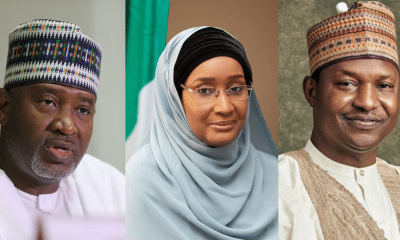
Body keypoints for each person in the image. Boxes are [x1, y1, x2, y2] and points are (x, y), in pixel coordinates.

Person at [126, 27, 278, 239]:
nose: (224, 107)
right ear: (175, 98)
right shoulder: (146, 176)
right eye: (204, 90)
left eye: (236, 89)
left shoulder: (277, 175)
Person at [279, 1, 400, 239]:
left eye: (384, 86)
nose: (367, 102)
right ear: (311, 92)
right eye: (347, 84)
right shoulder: (274, 187)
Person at [0, 19, 125, 239]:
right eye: (48, 102)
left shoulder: (113, 188)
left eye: (83, 110)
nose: (67, 126)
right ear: (4, 107)